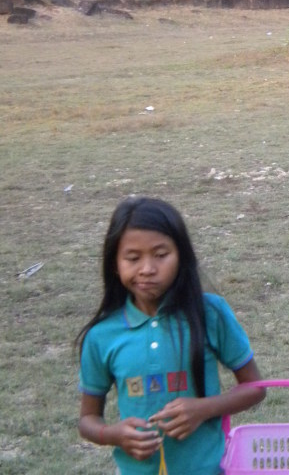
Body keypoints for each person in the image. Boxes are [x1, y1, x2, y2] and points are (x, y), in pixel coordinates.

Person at [76, 196, 266, 475]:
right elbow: (88, 419)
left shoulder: (210, 314)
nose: (147, 269)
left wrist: (203, 409)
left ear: (181, 257)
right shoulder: (102, 336)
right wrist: (113, 434)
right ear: (115, 263)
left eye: (161, 255)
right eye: (133, 258)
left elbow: (255, 388)